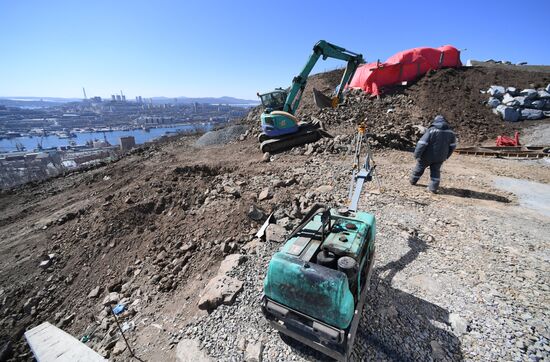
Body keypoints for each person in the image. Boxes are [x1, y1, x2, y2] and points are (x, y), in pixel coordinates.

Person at [410, 115, 457, 193]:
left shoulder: (431, 130)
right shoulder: (451, 132)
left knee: (419, 168)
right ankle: (433, 188)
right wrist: (446, 156)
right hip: (440, 157)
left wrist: (417, 154)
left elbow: (422, 143)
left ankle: (413, 181)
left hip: (427, 155)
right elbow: (453, 146)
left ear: (435, 122)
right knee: (435, 171)